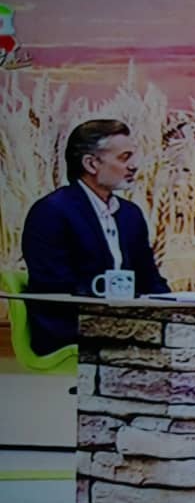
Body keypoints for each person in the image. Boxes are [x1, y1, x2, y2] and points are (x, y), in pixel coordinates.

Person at [22, 119, 170, 355]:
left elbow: (149, 279)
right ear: (91, 163)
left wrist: (175, 311)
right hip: (69, 329)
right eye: (124, 158)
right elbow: (55, 286)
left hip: (121, 325)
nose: (134, 166)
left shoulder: (130, 214)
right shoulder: (51, 211)